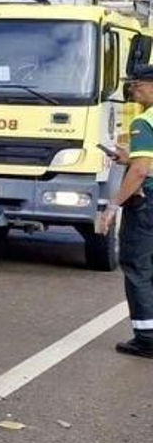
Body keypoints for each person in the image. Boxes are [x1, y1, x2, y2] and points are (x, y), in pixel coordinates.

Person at [97, 62, 153, 357]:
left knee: (137, 266)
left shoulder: (144, 122)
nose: (133, 89)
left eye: (138, 84)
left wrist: (114, 205)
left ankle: (146, 338)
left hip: (147, 205)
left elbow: (142, 171)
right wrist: (131, 157)